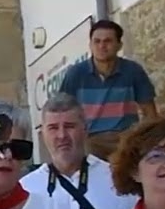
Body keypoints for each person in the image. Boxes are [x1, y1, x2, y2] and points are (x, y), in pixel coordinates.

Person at [58, 19, 157, 161]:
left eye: (108, 41)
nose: (102, 46)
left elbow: (150, 112)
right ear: (90, 45)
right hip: (90, 139)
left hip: (126, 138)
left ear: (119, 45)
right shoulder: (76, 74)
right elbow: (62, 111)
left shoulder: (133, 71)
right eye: (97, 41)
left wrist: (149, 141)